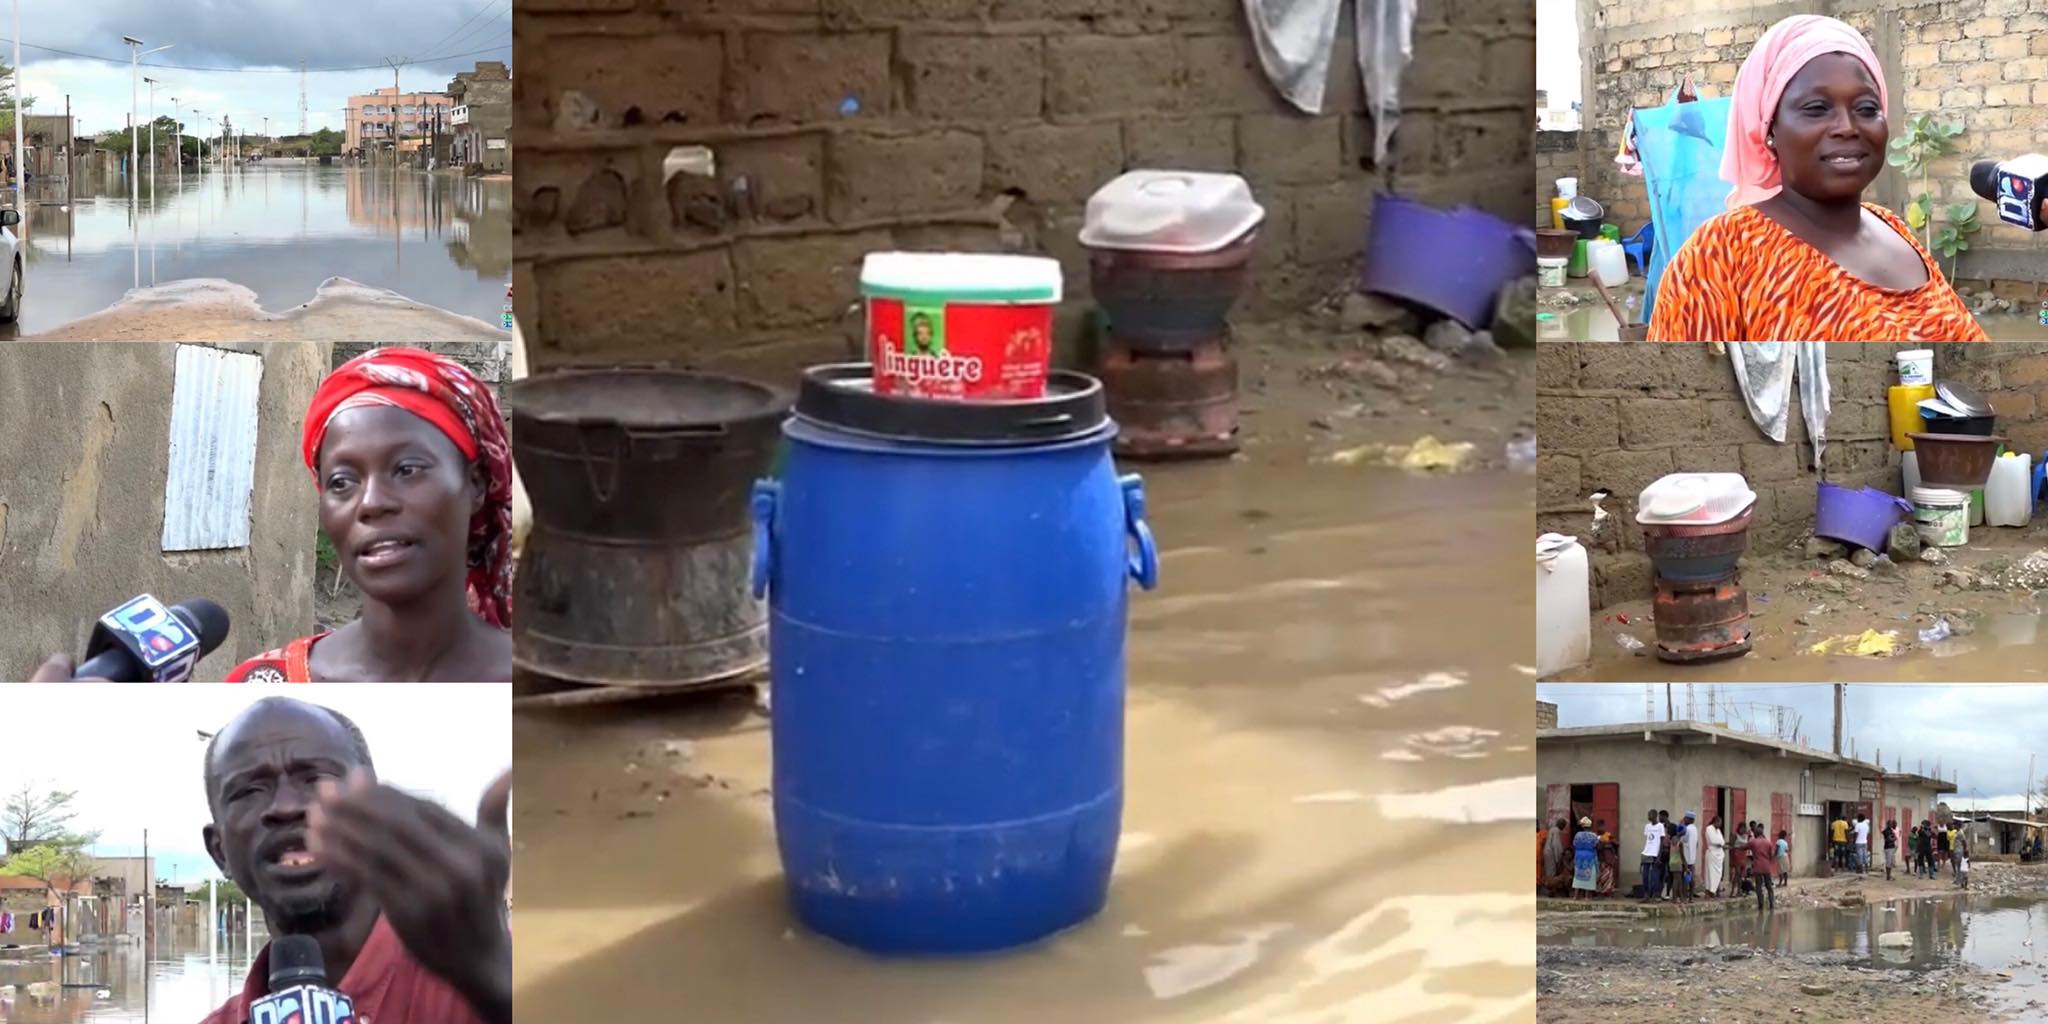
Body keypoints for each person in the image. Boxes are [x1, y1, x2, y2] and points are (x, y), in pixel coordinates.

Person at [1647, 15, 1986, 340]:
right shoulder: (1720, 255)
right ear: (1770, 129)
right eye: (1816, 109)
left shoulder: (1893, 227)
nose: (1847, 127)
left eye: (1866, 109)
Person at [199, 696, 510, 1024]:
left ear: (372, 808)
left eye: (316, 778)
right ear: (219, 852)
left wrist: (497, 986)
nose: (286, 807)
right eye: (249, 790)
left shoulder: (490, 982)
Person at [226, 348, 513, 682]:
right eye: (342, 482)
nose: (371, 503)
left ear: (475, 484)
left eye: (407, 469)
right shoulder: (264, 690)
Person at [1748, 827, 1779, 910]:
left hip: (1757, 867)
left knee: (1758, 886)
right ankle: (1771, 905)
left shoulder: (1753, 842)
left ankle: (1760, 905)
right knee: (1769, 886)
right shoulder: (1768, 842)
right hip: (1766, 867)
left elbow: (1744, 847)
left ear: (1755, 834)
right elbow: (1771, 855)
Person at [1542, 818, 1572, 896]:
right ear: (1561, 825)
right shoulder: (1556, 831)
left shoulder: (1552, 829)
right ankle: (1550, 890)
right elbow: (1556, 845)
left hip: (1548, 852)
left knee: (1549, 871)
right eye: (1564, 826)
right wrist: (1559, 857)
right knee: (1551, 872)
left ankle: (1551, 889)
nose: (1564, 828)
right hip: (1551, 853)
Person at [1572, 818, 1600, 899]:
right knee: (1589, 876)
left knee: (1577, 876)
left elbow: (1574, 845)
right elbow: (1597, 846)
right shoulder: (1594, 835)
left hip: (1579, 857)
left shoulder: (1577, 835)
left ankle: (1575, 896)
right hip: (1589, 857)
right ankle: (1587, 896)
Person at [1641, 810, 1665, 902]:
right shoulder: (1647, 826)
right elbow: (1648, 839)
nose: (1648, 816)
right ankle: (1646, 895)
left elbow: (1662, 841)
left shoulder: (1660, 826)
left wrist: (1659, 855)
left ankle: (1655, 895)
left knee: (1655, 876)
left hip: (1655, 854)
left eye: (1650, 815)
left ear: (1655, 816)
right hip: (1646, 853)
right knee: (1645, 876)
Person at [1703, 815, 1727, 899]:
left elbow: (1722, 841)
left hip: (1719, 855)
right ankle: (1708, 892)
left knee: (1717, 875)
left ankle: (1713, 891)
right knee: (1710, 874)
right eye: (1719, 822)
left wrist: (1721, 844)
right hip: (1712, 853)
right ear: (1715, 822)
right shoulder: (1709, 828)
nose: (1720, 825)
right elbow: (1714, 841)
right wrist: (1721, 843)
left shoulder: (1718, 830)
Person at [1679, 812, 1701, 901]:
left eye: (1686, 818)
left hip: (1685, 857)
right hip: (1692, 857)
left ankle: (1684, 897)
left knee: (1685, 878)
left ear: (1690, 819)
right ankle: (1691, 897)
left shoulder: (1687, 829)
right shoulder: (1695, 829)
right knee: (1691, 878)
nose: (1684, 819)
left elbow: (1682, 840)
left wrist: (1681, 825)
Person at [1596, 819, 1620, 897]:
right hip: (1600, 859)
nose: (1601, 828)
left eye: (1602, 826)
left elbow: (1617, 843)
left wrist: (1610, 842)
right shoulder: (1596, 837)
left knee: (1609, 877)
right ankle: (1601, 892)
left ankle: (1608, 892)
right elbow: (1598, 848)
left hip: (1608, 860)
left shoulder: (1608, 835)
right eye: (1599, 827)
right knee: (1601, 877)